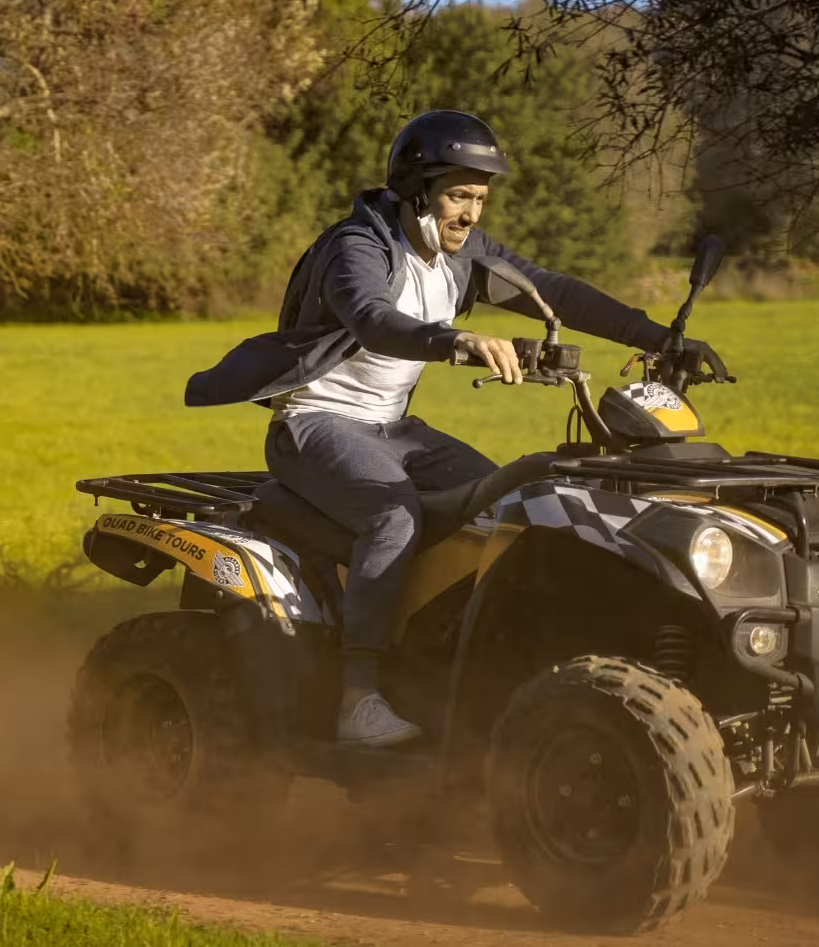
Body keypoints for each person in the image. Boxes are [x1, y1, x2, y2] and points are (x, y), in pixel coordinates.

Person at [184, 110, 725, 748]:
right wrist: (456, 339)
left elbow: (554, 293)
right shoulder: (358, 246)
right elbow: (372, 318)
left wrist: (662, 338)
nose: (471, 214)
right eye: (459, 196)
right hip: (317, 422)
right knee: (395, 518)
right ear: (418, 189)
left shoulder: (461, 254)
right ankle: (359, 696)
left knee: (506, 507)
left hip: (393, 428)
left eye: (480, 199)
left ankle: (452, 666)